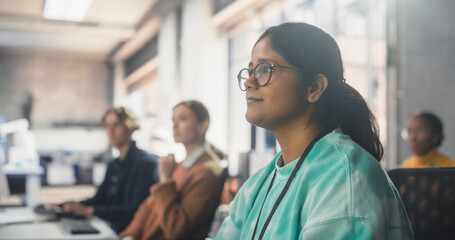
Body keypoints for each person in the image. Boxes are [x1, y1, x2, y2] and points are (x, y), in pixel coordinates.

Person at [210, 22, 414, 239]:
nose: (250, 82)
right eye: (250, 71)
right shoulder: (261, 181)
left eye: (265, 69)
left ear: (314, 87)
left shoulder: (344, 178)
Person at [119, 100, 225, 240]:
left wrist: (166, 180)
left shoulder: (208, 172)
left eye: (183, 119)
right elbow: (149, 206)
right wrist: (130, 235)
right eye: (173, 120)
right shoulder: (181, 165)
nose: (174, 126)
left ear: (202, 126)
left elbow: (175, 230)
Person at [59, 107, 159, 233]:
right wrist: (71, 205)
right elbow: (99, 199)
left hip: (129, 233)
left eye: (116, 125)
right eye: (107, 125)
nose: (110, 131)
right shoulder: (114, 164)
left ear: (131, 127)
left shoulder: (145, 164)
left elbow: (136, 210)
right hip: (109, 227)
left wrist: (90, 211)